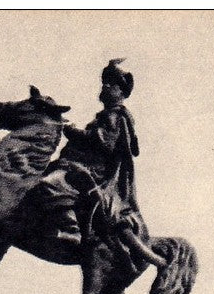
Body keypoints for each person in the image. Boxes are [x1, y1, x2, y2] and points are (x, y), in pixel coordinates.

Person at [38, 59, 166, 270]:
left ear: (121, 92)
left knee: (50, 183)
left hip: (95, 172)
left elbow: (102, 142)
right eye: (104, 83)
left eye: (111, 84)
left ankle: (71, 229)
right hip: (83, 165)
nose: (105, 87)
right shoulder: (108, 115)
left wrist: (72, 130)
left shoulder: (116, 116)